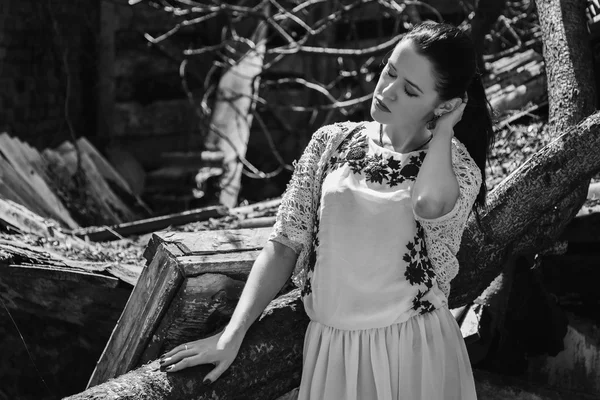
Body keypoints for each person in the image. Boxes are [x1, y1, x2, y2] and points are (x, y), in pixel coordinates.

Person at [159, 20, 494, 400]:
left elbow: (428, 203)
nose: (387, 90)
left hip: (413, 352)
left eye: (410, 90)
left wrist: (446, 128)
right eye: (390, 71)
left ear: (446, 104)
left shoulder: (457, 168)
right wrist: (230, 336)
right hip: (330, 349)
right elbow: (285, 243)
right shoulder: (332, 142)